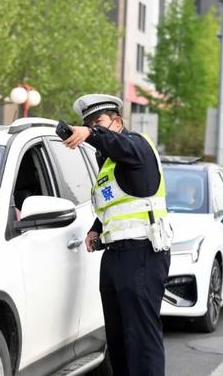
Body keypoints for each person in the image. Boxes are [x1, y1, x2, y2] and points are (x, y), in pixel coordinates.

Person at [62, 94, 171, 376]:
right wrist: (96, 229)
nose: (92, 128)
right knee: (119, 338)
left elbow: (118, 142)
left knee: (141, 339)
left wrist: (91, 133)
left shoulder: (137, 145)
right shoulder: (109, 165)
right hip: (115, 257)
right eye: (88, 124)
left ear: (118, 122)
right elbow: (115, 205)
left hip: (143, 254)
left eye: (98, 122)